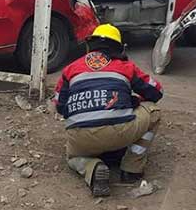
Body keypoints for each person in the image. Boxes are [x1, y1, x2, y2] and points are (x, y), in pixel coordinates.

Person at [52, 24, 163, 197]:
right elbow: (156, 92)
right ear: (119, 48)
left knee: (73, 157)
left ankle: (92, 167)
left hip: (80, 137)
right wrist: (132, 100)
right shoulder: (127, 67)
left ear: (90, 46)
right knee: (153, 112)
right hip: (120, 133)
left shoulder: (70, 69)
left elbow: (59, 105)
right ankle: (131, 168)